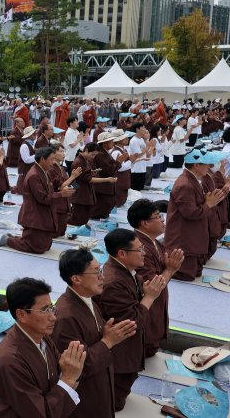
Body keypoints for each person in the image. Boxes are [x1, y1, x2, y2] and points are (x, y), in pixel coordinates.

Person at [0, 277, 86, 418]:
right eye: (45, 310)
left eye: (52, 308)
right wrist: (68, 378)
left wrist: (70, 367)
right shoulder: (9, 360)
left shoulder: (42, 338)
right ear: (21, 315)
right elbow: (39, 414)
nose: (53, 317)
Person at [53, 248, 138, 418]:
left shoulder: (87, 299)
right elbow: (78, 367)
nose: (103, 277)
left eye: (101, 270)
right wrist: (107, 341)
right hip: (84, 396)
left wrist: (106, 335)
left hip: (101, 383)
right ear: (76, 279)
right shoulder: (66, 316)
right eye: (96, 272)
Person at [95, 229, 167, 411]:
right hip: (120, 352)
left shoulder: (127, 271)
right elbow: (132, 322)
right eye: (139, 249)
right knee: (114, 403)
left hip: (129, 349)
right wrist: (149, 297)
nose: (144, 253)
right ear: (122, 253)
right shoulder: (114, 283)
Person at [127, 199, 184, 357]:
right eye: (158, 216)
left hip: (157, 302)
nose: (162, 220)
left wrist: (168, 269)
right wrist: (170, 270)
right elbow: (153, 285)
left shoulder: (155, 244)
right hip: (146, 305)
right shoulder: (139, 248)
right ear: (144, 223)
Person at [165, 149, 228, 281]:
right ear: (196, 165)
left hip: (193, 234)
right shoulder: (185, 184)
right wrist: (209, 204)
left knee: (195, 273)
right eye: (206, 164)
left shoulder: (192, 180)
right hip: (184, 237)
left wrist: (209, 200)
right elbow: (191, 213)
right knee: (186, 274)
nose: (209, 167)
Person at [0, 147, 75, 254]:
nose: (53, 162)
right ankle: (8, 241)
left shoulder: (45, 171)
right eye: (51, 159)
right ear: (42, 159)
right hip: (34, 216)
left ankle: (17, 238)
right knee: (37, 248)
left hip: (43, 214)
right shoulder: (34, 175)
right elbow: (43, 198)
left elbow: (56, 184)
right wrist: (61, 194)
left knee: (45, 246)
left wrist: (70, 181)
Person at [69, 143, 117, 226]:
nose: (93, 157)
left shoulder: (84, 160)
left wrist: (91, 172)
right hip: (80, 194)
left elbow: (85, 175)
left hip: (84, 192)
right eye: (92, 154)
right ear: (86, 150)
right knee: (78, 220)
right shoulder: (79, 162)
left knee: (83, 218)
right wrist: (107, 179)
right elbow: (88, 179)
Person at [90, 133, 119, 219]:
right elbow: (108, 169)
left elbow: (113, 165)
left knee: (108, 203)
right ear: (105, 143)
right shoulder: (100, 154)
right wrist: (119, 162)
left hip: (107, 184)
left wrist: (116, 163)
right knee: (103, 204)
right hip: (102, 184)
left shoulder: (106, 153)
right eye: (111, 141)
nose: (113, 142)